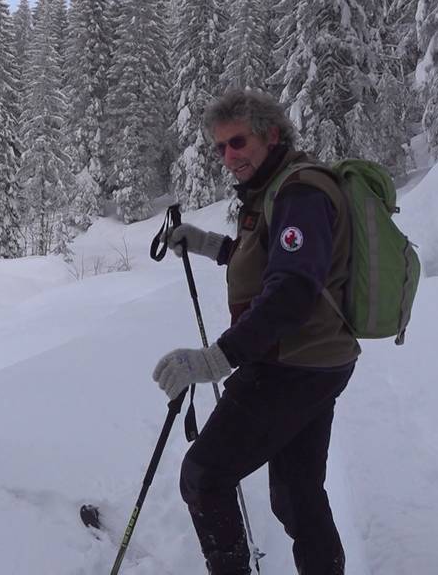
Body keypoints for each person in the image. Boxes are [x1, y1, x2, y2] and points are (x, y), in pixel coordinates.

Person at [152, 90, 361, 575]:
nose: (229, 156)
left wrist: (215, 359)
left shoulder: (299, 193)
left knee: (203, 477)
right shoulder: (276, 188)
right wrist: (207, 245)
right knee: (296, 492)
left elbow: (291, 291)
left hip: (290, 364)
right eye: (220, 147)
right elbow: (269, 260)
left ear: (271, 134)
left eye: (238, 141)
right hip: (315, 361)